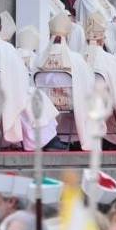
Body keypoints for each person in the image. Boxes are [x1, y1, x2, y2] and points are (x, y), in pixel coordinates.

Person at [0, 13, 61, 151]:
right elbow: (20, 78)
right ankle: (45, 140)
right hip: (0, 98)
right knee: (33, 96)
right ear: (0, 28)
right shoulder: (6, 48)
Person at [36, 14, 98, 150]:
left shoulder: (39, 59)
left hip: (43, 108)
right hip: (70, 104)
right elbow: (89, 84)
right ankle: (78, 137)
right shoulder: (76, 59)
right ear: (68, 37)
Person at [83, 12, 116, 148]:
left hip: (78, 120)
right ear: (103, 39)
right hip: (106, 129)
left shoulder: (76, 58)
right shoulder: (110, 60)